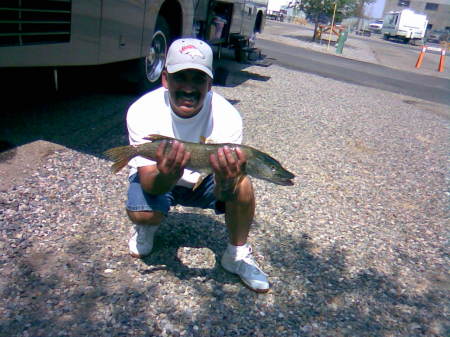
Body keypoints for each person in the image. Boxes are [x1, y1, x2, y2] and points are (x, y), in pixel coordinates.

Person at [124, 38, 269, 293]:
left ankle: (236, 255)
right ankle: (148, 226)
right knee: (144, 213)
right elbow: (148, 180)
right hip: (160, 176)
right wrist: (170, 173)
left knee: (242, 184)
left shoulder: (228, 117)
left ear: (209, 84)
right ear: (166, 79)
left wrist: (227, 179)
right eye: (181, 77)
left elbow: (224, 194)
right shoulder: (142, 110)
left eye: (198, 79)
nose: (189, 88)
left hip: (204, 179)